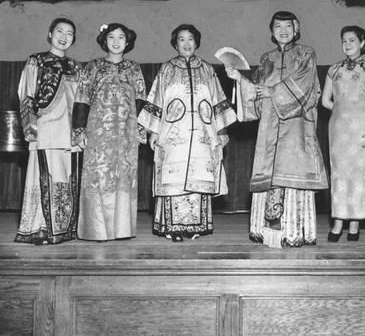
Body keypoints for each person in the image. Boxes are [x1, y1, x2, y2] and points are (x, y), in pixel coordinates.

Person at [226, 11, 328, 248]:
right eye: (278, 26)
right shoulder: (266, 59)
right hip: (270, 125)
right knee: (269, 174)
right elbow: (256, 94)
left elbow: (307, 85)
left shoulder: (306, 54)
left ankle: (294, 232)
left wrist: (274, 92)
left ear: (297, 28)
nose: (283, 30)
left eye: (288, 26)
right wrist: (240, 79)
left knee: (292, 175)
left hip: (297, 126)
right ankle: (268, 233)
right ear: (272, 31)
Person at [138, 24, 236, 242]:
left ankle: (196, 226)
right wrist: (153, 131)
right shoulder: (166, 69)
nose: (186, 43)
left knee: (199, 177)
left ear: (196, 42)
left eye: (190, 39)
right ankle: (172, 228)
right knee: (174, 179)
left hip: (203, 134)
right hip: (174, 135)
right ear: (175, 43)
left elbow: (218, 101)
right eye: (181, 39)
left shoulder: (208, 70)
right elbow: (156, 100)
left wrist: (221, 131)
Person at [72, 23, 146, 241]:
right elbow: (82, 98)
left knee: (124, 177)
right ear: (104, 41)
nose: (116, 41)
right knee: (99, 176)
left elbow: (141, 100)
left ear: (128, 41)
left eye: (121, 37)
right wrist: (79, 130)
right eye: (111, 37)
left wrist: (141, 130)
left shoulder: (134, 68)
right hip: (98, 131)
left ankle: (123, 229)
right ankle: (96, 230)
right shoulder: (93, 67)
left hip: (126, 132)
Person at [15, 18, 82, 245]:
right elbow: (26, 95)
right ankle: (39, 228)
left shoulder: (76, 67)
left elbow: (82, 102)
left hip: (69, 132)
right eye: (60, 31)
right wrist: (30, 127)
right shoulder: (37, 61)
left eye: (69, 33)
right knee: (42, 177)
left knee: (64, 179)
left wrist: (81, 131)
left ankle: (62, 228)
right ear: (50, 33)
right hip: (45, 130)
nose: (64, 36)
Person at [321, 26, 365, 242]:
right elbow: (325, 101)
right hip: (338, 129)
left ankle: (354, 225)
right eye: (344, 41)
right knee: (339, 175)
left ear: (362, 43)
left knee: (359, 175)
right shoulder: (333, 70)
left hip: (363, 128)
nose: (347, 44)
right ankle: (337, 224)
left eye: (352, 40)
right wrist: (343, 110)